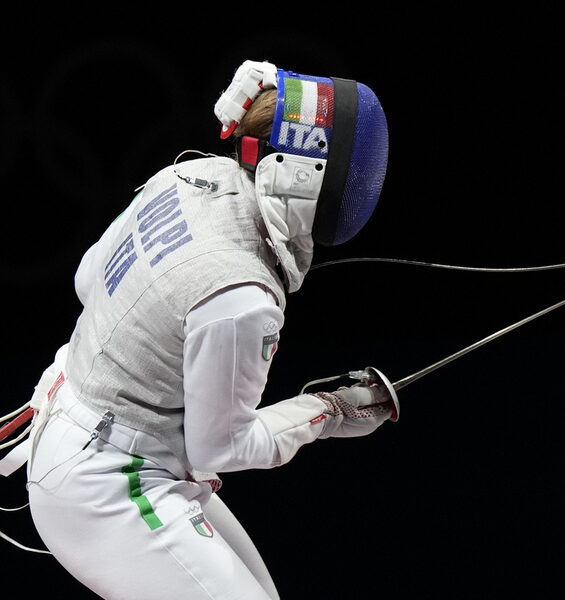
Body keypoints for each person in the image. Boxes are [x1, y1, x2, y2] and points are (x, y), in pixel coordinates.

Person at [10, 60, 399, 599]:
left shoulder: (183, 177)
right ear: (305, 178)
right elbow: (221, 447)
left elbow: (87, 279)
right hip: (107, 483)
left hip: (74, 419)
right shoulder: (243, 296)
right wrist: (327, 412)